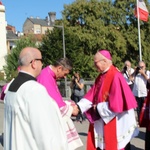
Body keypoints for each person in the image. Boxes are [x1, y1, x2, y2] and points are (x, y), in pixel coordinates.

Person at [4, 47, 69, 150]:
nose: (42, 64)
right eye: (41, 60)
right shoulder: (34, 90)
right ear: (33, 63)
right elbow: (45, 133)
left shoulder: (10, 88)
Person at [77, 49, 139, 150]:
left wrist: (98, 108)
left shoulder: (115, 76)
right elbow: (92, 94)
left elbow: (117, 104)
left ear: (104, 61)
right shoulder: (101, 76)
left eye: (95, 62)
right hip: (104, 118)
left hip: (117, 121)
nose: (94, 65)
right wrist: (79, 107)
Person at [37, 58, 83, 150]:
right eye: (65, 73)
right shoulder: (45, 77)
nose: (65, 77)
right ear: (59, 68)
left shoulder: (49, 74)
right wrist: (71, 109)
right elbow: (53, 104)